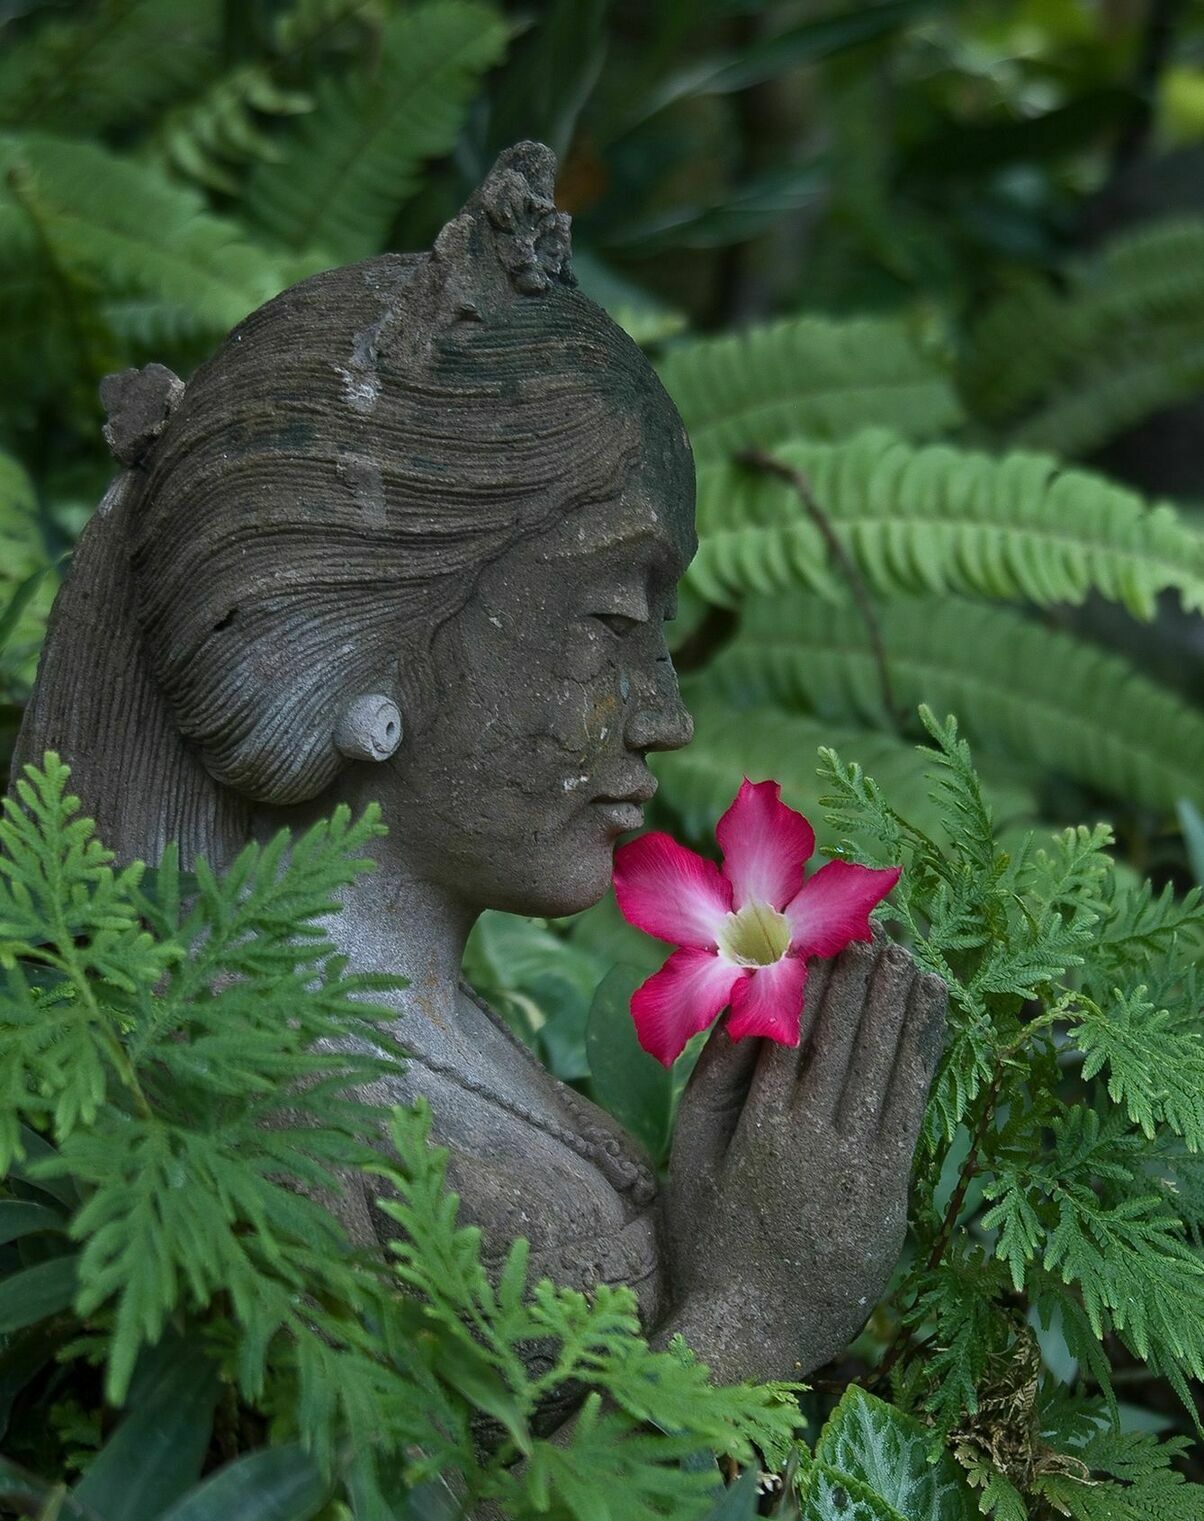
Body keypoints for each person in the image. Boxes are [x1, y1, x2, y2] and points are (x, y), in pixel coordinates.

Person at [13, 144, 944, 1384]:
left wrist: (718, 1221)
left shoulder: (438, 1053)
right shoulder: (253, 1134)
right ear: (342, 631)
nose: (665, 715)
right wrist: (758, 1318)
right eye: (613, 619)